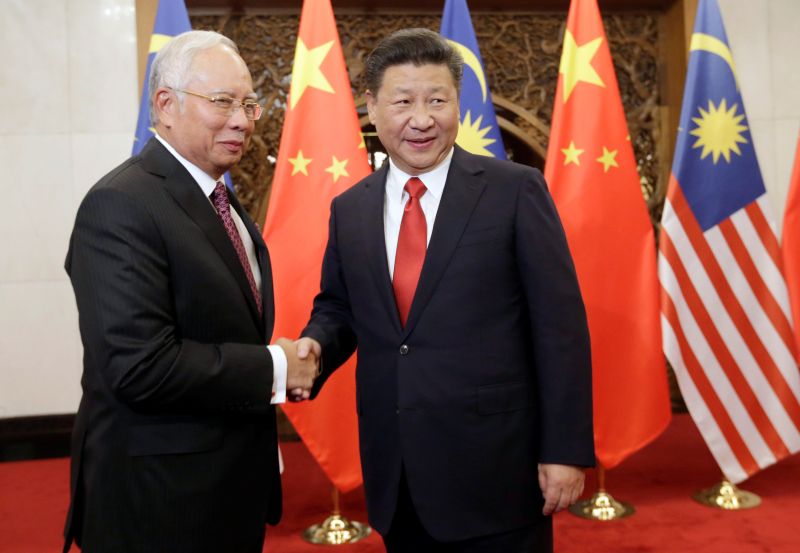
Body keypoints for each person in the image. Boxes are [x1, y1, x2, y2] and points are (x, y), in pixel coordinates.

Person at [294, 28, 594, 552]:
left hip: (498, 470)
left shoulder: (514, 191)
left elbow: (560, 328)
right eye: (403, 102)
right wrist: (316, 345)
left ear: (458, 103)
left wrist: (565, 450)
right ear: (372, 106)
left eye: (437, 100)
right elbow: (339, 306)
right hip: (397, 472)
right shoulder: (351, 208)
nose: (422, 119)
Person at [63, 31, 317, 553]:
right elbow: (140, 367)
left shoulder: (217, 196)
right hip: (159, 505)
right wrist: (276, 368)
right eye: (222, 101)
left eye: (249, 104)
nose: (243, 120)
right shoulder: (120, 204)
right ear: (165, 105)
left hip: (223, 491)